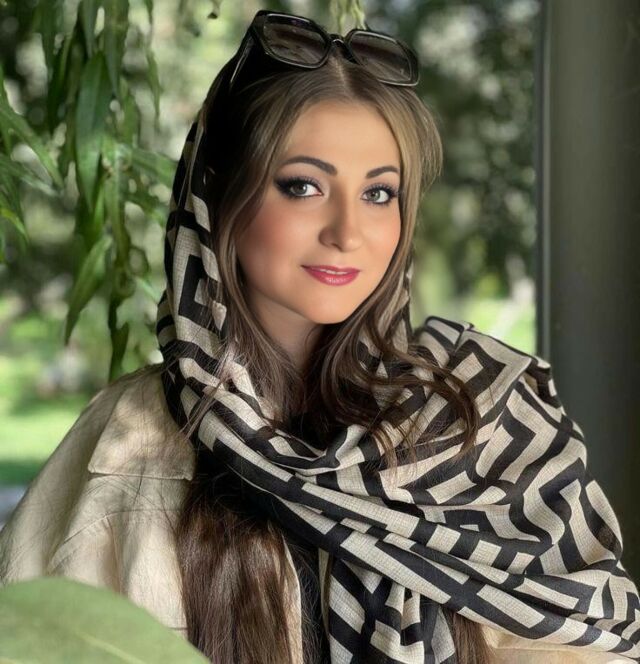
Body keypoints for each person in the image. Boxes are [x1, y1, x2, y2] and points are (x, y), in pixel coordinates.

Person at [1, 8, 639, 664]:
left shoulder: (483, 409)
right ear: (218, 197)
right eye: (303, 186)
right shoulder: (129, 441)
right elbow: (34, 636)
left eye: (380, 194)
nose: (347, 232)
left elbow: (590, 641)